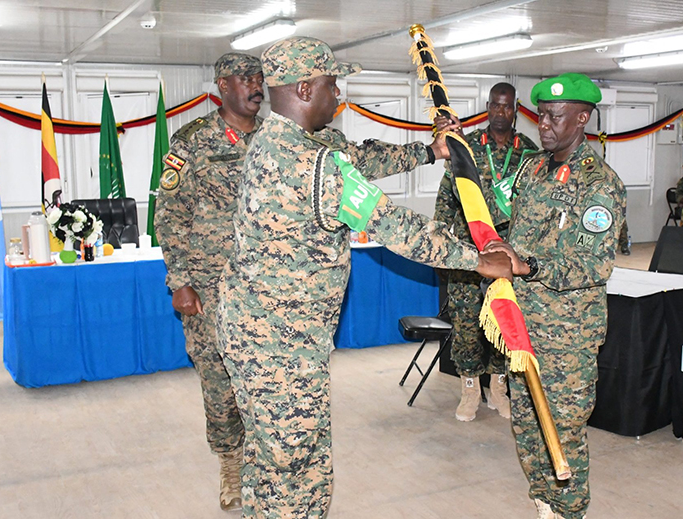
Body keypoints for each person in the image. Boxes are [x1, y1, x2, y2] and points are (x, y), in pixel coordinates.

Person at [214, 37, 513, 518]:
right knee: (292, 467)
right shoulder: (306, 166)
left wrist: (431, 150)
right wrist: (479, 258)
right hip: (277, 346)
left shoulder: (278, 138)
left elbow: (360, 155)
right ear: (307, 88)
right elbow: (394, 225)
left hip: (261, 334)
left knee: (275, 461)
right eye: (334, 85)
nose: (340, 96)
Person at [486, 73, 626, 519]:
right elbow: (522, 234)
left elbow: (593, 265)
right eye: (541, 114)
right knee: (527, 429)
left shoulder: (599, 184)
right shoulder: (533, 168)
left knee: (561, 434)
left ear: (583, 118)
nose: (543, 124)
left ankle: (569, 512)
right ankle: (543, 504)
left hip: (568, 336)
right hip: (523, 327)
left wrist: (529, 265)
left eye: (555, 116)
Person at [154, 52, 264, 512]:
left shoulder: (279, 138)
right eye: (246, 78)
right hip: (210, 290)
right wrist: (179, 280)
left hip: (266, 288)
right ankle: (231, 466)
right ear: (222, 85)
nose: (256, 86)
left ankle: (265, 461)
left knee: (264, 380)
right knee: (219, 384)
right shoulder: (192, 142)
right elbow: (170, 214)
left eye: (260, 78)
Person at [434, 82, 538, 422]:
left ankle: (498, 386)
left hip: (508, 255)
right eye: (495, 105)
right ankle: (469, 390)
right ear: (488, 106)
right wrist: (440, 247)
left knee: (502, 320)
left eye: (507, 107)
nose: (500, 113)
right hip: (468, 253)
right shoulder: (467, 148)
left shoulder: (530, 153)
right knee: (466, 324)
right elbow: (447, 196)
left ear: (516, 109)